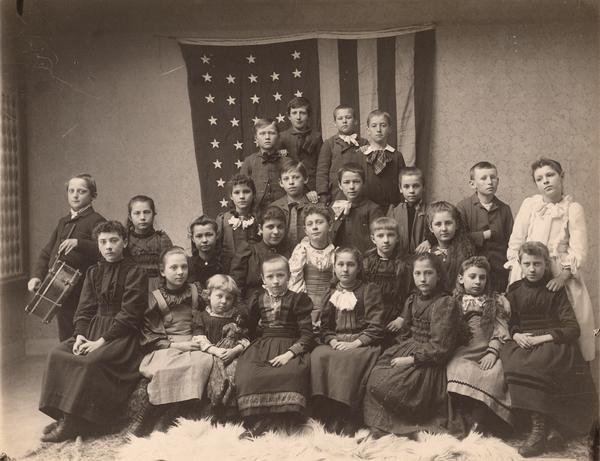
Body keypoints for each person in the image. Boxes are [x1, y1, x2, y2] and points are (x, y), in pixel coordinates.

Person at [39, 220, 147, 442]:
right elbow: (85, 308)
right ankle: (66, 415)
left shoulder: (135, 272)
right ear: (98, 245)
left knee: (90, 362)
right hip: (92, 330)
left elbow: (130, 314)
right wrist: (80, 334)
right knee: (57, 354)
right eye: (103, 242)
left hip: (122, 335)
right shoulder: (93, 272)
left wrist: (100, 342)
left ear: (124, 242)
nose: (108, 246)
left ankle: (73, 422)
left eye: (114, 241)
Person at [500, 242, 598, 457]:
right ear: (520, 265)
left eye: (537, 264)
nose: (532, 269)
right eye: (527, 264)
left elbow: (572, 328)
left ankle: (541, 430)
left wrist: (540, 340)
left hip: (553, 341)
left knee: (538, 363)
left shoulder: (554, 288)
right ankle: (537, 426)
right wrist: (516, 334)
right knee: (512, 360)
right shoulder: (515, 290)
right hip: (524, 339)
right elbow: (511, 321)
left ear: (546, 264)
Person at [505, 158, 595, 361]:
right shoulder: (530, 204)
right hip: (529, 266)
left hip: (558, 269)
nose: (545, 181)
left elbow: (578, 250)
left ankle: (571, 363)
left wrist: (563, 276)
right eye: (539, 178)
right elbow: (516, 240)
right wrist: (518, 269)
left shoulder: (573, 209)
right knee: (522, 316)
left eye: (550, 175)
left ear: (561, 176)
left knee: (568, 315)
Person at [363, 253, 462, 437]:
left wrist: (409, 360)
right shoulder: (413, 299)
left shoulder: (445, 303)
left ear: (438, 275)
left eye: (428, 273)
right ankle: (383, 424)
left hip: (428, 361)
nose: (422, 279)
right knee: (375, 375)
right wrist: (397, 351)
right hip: (410, 347)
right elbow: (406, 331)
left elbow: (441, 347)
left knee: (395, 386)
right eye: (418, 274)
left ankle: (406, 425)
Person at [235, 255, 315, 438]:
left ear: (289, 276)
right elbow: (251, 327)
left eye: (280, 275)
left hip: (291, 344)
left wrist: (290, 354)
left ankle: (281, 418)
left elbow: (307, 335)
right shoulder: (258, 299)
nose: (276, 281)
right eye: (270, 277)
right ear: (263, 279)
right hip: (264, 343)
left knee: (291, 373)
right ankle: (260, 419)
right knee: (247, 373)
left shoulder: (298, 300)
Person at [135, 246, 213, 434]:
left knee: (202, 362)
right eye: (174, 268)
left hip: (195, 343)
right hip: (168, 345)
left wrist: (200, 336)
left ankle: (176, 415)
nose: (180, 272)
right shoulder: (155, 298)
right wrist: (177, 345)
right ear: (162, 271)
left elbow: (209, 316)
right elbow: (150, 334)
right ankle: (155, 415)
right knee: (165, 368)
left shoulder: (196, 291)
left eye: (184, 267)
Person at [311, 247, 384, 436]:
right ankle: (329, 412)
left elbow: (376, 326)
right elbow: (325, 327)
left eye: (350, 264)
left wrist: (355, 343)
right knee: (319, 355)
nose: (345, 269)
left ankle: (349, 415)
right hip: (337, 341)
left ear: (359, 268)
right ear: (334, 268)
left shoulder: (369, 290)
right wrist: (333, 341)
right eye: (340, 264)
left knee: (349, 360)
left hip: (362, 343)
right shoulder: (330, 293)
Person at [28, 173, 106, 341]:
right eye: (71, 191)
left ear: (93, 196)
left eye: (81, 191)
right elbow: (47, 252)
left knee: (82, 331)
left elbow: (106, 250)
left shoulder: (96, 220)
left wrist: (79, 243)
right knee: (65, 331)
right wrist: (36, 276)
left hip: (84, 290)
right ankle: (68, 364)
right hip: (59, 286)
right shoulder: (63, 221)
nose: (75, 195)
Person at [446, 256, 513, 433]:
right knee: (456, 368)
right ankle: (464, 417)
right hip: (464, 349)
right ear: (461, 278)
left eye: (482, 277)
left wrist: (492, 351)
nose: (477, 282)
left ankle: (480, 421)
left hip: (487, 348)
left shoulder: (493, 301)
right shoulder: (454, 302)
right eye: (472, 276)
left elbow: (501, 328)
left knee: (493, 375)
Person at [193, 274, 249, 420]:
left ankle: (231, 412)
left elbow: (246, 339)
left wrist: (234, 351)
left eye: (229, 298)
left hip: (231, 354)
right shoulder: (202, 316)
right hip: (210, 354)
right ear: (209, 295)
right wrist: (215, 350)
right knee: (210, 372)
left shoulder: (236, 317)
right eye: (219, 296)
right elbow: (199, 337)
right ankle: (211, 410)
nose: (224, 301)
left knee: (235, 373)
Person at [456, 162, 513, 293]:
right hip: (472, 273)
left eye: (493, 178)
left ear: (498, 181)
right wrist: (484, 235)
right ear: (472, 184)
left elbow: (511, 240)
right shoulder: (463, 207)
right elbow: (458, 238)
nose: (490, 182)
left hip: (498, 270)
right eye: (483, 178)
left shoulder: (504, 209)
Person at [362, 217, 411, 349]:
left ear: (397, 238)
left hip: (396, 318)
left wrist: (402, 318)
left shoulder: (405, 265)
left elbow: (412, 294)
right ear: (373, 239)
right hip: (371, 317)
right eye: (380, 236)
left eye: (390, 235)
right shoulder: (366, 263)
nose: (386, 240)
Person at [288, 204, 336, 332]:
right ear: (305, 230)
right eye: (310, 224)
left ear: (330, 226)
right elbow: (295, 282)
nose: (314, 227)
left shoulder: (335, 253)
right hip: (306, 304)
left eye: (319, 222)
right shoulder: (301, 251)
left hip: (329, 304)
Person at [230, 206, 292, 304]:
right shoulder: (248, 252)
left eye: (280, 227)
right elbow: (236, 287)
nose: (276, 232)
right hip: (252, 309)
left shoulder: (291, 253)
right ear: (260, 228)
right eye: (270, 227)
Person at [347, 110, 406, 210]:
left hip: (392, 208)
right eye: (374, 126)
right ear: (368, 130)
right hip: (365, 209)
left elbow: (403, 183)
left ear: (390, 129)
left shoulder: (397, 156)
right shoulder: (360, 155)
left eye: (383, 125)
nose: (378, 130)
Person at [316, 104, 367, 204]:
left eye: (348, 117)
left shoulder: (364, 143)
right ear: (335, 123)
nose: (344, 121)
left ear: (355, 121)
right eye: (340, 118)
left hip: (359, 192)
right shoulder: (329, 144)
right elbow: (322, 171)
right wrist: (323, 193)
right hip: (336, 193)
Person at [331, 162, 383, 254]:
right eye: (346, 182)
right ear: (339, 185)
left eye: (356, 182)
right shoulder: (334, 207)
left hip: (365, 260)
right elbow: (330, 238)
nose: (351, 187)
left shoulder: (373, 209)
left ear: (363, 183)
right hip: (341, 261)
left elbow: (379, 239)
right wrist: (341, 216)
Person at [126, 195, 173, 291]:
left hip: (159, 288)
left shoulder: (162, 239)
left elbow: (170, 267)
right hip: (131, 287)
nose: (142, 217)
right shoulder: (125, 240)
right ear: (130, 217)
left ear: (154, 214)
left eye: (147, 212)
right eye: (137, 213)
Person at [240, 118, 288, 212]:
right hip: (257, 212)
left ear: (278, 136)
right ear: (256, 138)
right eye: (262, 133)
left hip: (284, 211)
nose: (267, 137)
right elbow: (241, 189)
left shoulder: (286, 161)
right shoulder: (249, 161)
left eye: (271, 133)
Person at [427, 201, 475, 292]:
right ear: (431, 228)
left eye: (448, 223)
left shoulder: (465, 251)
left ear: (456, 224)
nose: (444, 228)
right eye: (438, 224)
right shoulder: (430, 254)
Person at [278, 96, 323, 195]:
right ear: (289, 116)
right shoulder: (281, 137)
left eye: (302, 113)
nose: (298, 117)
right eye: (294, 113)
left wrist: (318, 189)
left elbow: (321, 165)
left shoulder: (316, 136)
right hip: (290, 185)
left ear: (308, 115)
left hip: (312, 186)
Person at [216, 174, 260, 273]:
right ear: (231, 196)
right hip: (228, 270)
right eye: (237, 192)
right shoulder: (223, 220)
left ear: (253, 194)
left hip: (252, 270)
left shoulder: (258, 219)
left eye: (246, 192)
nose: (242, 196)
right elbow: (217, 249)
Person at [271, 158, 317, 248]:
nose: (291, 182)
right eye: (286, 179)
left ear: (305, 179)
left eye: (296, 177)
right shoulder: (274, 207)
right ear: (281, 183)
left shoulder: (315, 205)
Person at [387, 167, 429, 255]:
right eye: (406, 186)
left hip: (422, 259)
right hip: (399, 259)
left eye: (416, 186)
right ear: (400, 188)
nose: (411, 191)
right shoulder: (394, 212)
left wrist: (429, 241)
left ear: (423, 187)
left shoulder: (430, 210)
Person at [187, 215, 222, 288]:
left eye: (209, 235)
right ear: (192, 239)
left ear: (217, 235)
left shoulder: (226, 262)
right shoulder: (188, 265)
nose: (204, 240)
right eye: (199, 236)